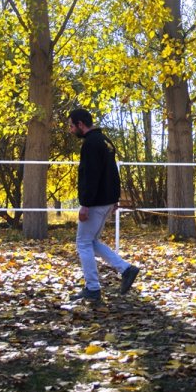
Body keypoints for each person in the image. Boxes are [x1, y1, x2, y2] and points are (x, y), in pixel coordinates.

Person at [67, 109, 139, 303]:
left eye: (72, 126)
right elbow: (112, 173)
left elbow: (90, 176)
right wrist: (115, 198)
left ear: (81, 124)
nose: (71, 130)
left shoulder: (91, 144)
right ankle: (126, 269)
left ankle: (92, 288)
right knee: (91, 241)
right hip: (106, 201)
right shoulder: (104, 141)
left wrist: (85, 204)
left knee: (83, 243)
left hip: (96, 202)